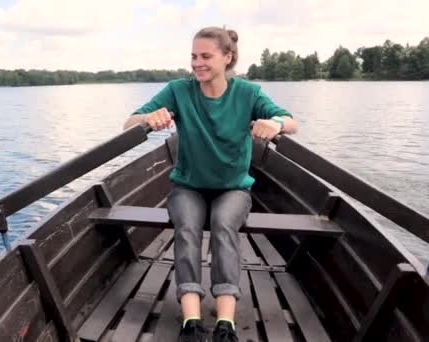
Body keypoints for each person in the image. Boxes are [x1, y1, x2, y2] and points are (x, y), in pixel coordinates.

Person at [123, 27, 298, 342]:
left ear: (227, 57)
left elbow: (291, 122)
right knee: (187, 225)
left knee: (222, 224)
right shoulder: (179, 90)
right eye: (193, 56)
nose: (197, 63)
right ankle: (191, 321)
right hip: (188, 187)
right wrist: (148, 119)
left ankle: (225, 324)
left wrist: (275, 123)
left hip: (233, 189)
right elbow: (129, 122)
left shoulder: (248, 93)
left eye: (206, 56)